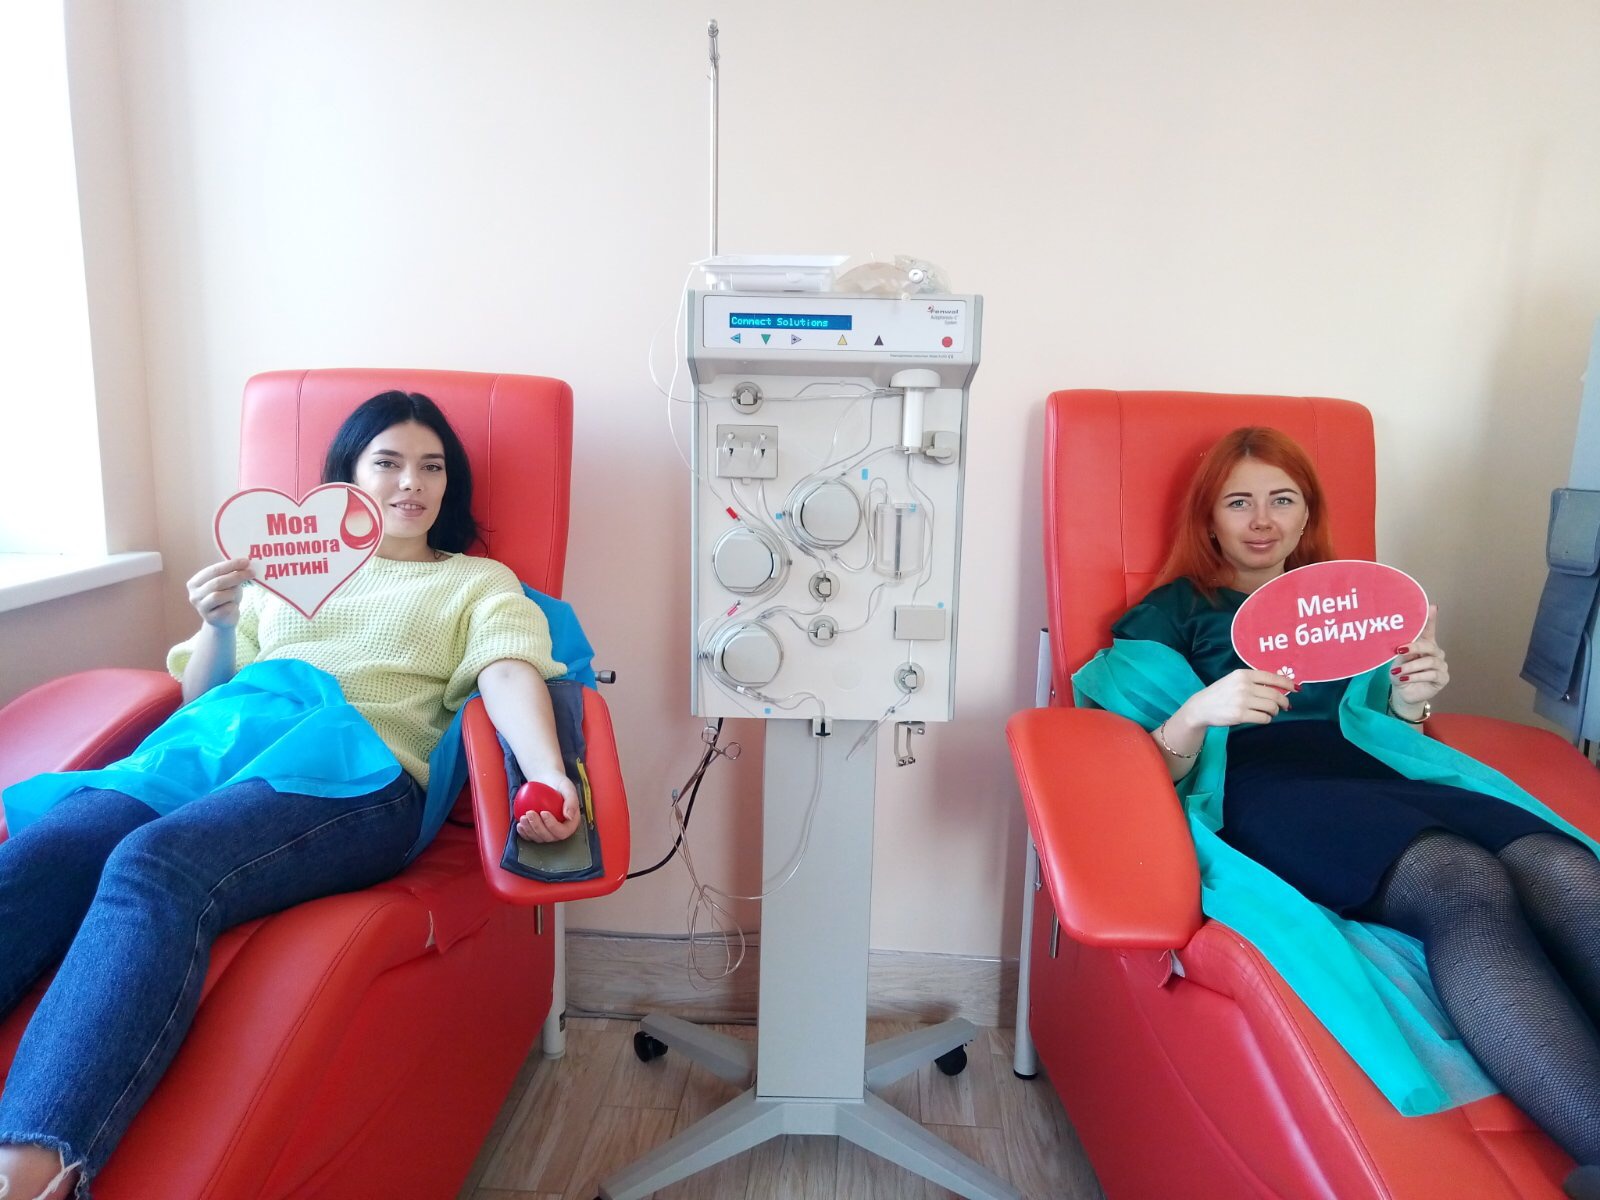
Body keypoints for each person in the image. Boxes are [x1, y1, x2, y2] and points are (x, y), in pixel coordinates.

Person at [0, 391, 580, 1200]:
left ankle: (35, 1163)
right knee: (56, 844)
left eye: (433, 467)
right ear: (347, 476)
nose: (411, 483)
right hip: (211, 750)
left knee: (155, 865)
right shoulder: (288, 570)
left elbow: (510, 671)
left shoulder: (475, 581)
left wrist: (548, 773)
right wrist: (218, 623)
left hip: (355, 770)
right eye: (388, 462)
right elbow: (202, 698)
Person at [1106, 425, 1600, 1198]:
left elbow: (1389, 729)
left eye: (1282, 500)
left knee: (1563, 868)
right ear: (1209, 518)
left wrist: (1413, 698)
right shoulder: (1172, 613)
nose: (1262, 521)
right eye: (1239, 502)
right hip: (1260, 784)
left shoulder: (1343, 605)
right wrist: (1200, 711)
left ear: (1308, 513)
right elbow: (1140, 766)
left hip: (1372, 769)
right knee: (1458, 877)